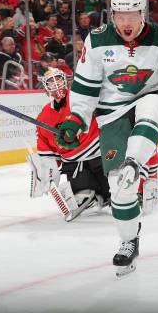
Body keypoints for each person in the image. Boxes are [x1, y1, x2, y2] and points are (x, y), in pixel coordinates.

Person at [61, 0, 158, 276]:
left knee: (150, 105)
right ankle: (128, 241)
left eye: (132, 15)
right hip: (113, 116)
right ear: (112, 14)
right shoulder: (97, 41)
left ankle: (135, 163)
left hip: (155, 105)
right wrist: (76, 118)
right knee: (119, 187)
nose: (126, 22)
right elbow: (85, 88)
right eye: (120, 15)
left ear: (143, 14)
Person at [30, 68, 111, 221]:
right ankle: (91, 195)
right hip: (73, 163)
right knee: (83, 193)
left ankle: (109, 194)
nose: (56, 85)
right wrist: (46, 169)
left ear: (65, 81)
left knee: (113, 190)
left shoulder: (79, 99)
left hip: (98, 153)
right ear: (45, 88)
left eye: (58, 80)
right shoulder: (44, 116)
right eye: (50, 82)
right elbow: (46, 148)